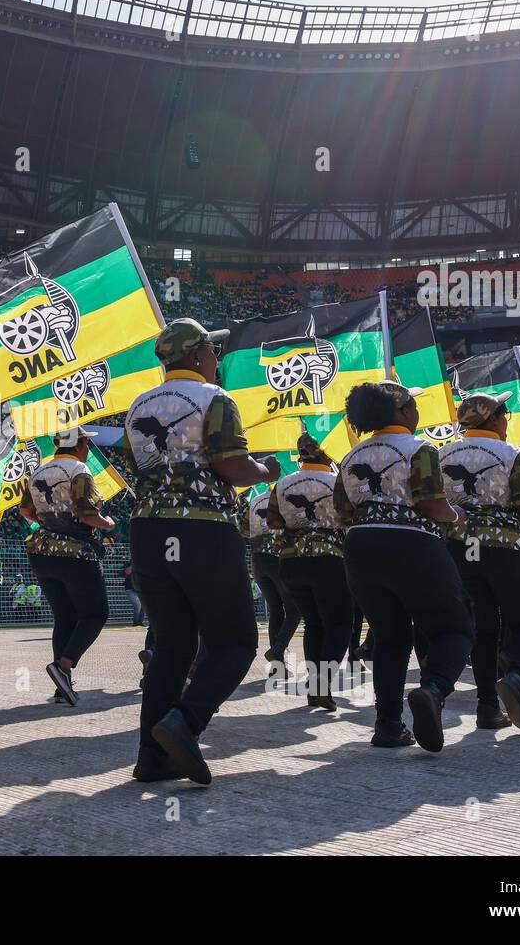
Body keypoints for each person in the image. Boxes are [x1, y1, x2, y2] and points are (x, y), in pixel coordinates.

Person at [123, 318, 280, 784]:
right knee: (234, 641)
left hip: (149, 532)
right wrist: (266, 471)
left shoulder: (137, 405)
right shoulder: (216, 399)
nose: (216, 359)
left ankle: (151, 757)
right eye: (213, 351)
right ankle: (185, 721)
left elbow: (139, 468)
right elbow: (231, 467)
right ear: (196, 356)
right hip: (203, 529)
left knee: (172, 646)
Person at [333, 380, 474, 752]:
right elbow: (431, 504)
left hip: (361, 547)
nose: (417, 411)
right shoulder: (420, 449)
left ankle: (387, 725)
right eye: (412, 405)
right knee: (453, 628)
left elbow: (343, 511)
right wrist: (457, 515)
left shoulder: (351, 457)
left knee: (390, 637)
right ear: (400, 412)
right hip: (413, 543)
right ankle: (433, 690)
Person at [437, 392, 520, 731]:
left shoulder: (440, 454)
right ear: (494, 418)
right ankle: (517, 676)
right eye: (505, 414)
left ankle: (486, 707)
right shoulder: (511, 454)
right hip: (507, 546)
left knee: (483, 627)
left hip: (465, 546)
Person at [20, 425, 116, 705]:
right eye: (86, 445)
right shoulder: (79, 471)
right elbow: (87, 514)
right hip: (74, 553)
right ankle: (63, 667)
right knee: (96, 614)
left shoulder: (39, 471)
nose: (88, 450)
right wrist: (107, 523)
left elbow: (26, 510)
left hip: (41, 552)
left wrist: (49, 521)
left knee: (64, 617)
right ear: (78, 445)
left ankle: (62, 685)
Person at [266, 431, 351, 712]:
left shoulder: (282, 484)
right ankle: (321, 686)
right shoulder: (338, 481)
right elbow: (350, 517)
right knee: (339, 625)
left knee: (314, 624)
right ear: (327, 451)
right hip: (328, 559)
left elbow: (274, 523)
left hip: (291, 562)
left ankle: (315, 690)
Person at [247, 488, 301, 662]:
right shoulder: (283, 500)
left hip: (257, 560)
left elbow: (243, 529)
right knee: (294, 610)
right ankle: (277, 649)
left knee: (276, 610)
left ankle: (277, 665)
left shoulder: (254, 501)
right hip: (277, 558)